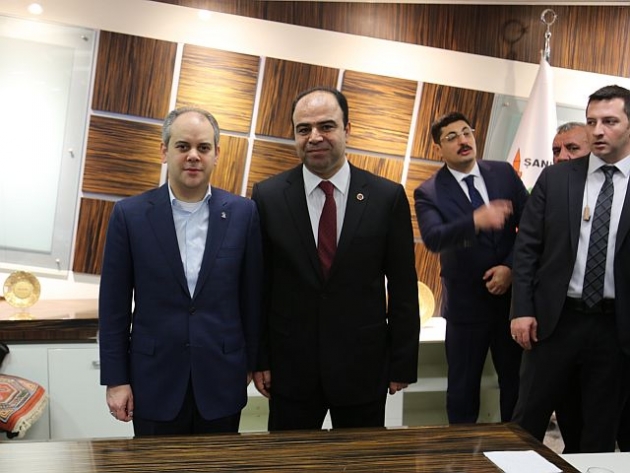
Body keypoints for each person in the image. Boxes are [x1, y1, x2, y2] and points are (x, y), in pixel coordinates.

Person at [251, 86, 420, 431]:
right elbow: (260, 287)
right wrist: (260, 358)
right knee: (289, 458)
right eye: (304, 129)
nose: (314, 137)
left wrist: (402, 362)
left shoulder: (386, 197)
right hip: (290, 370)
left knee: (358, 459)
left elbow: (403, 287)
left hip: (363, 368)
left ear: (347, 129)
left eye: (326, 126)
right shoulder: (268, 197)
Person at [98, 106, 263, 436]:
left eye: (203, 147)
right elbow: (114, 307)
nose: (193, 156)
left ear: (216, 154)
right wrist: (116, 380)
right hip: (153, 381)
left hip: (222, 378)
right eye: (183, 146)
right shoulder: (129, 215)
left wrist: (252, 362)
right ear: (164, 151)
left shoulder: (243, 213)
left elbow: (252, 298)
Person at [511, 85, 630, 452]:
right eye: (591, 121)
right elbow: (527, 249)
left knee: (597, 430)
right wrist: (522, 310)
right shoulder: (556, 179)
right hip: (554, 322)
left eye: (610, 122)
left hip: (615, 329)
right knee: (525, 423)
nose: (598, 131)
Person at [414, 112, 528, 424]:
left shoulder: (503, 173)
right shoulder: (429, 191)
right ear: (439, 147)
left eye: (467, 132)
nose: (463, 140)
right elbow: (434, 238)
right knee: (463, 392)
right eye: (452, 137)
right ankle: (462, 451)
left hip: (511, 304)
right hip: (466, 308)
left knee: (516, 385)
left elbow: (532, 226)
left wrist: (510, 268)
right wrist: (475, 220)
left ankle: (515, 447)